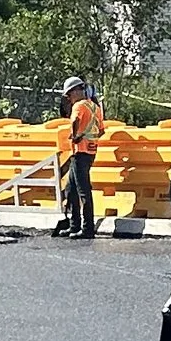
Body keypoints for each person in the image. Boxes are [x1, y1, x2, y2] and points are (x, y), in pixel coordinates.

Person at [56, 75, 105, 238]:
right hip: (90, 152)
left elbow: (75, 120)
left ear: (76, 91)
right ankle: (74, 225)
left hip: (80, 153)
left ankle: (87, 229)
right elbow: (102, 130)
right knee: (71, 189)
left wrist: (75, 134)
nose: (69, 99)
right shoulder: (95, 107)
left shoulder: (78, 106)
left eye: (69, 95)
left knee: (83, 191)